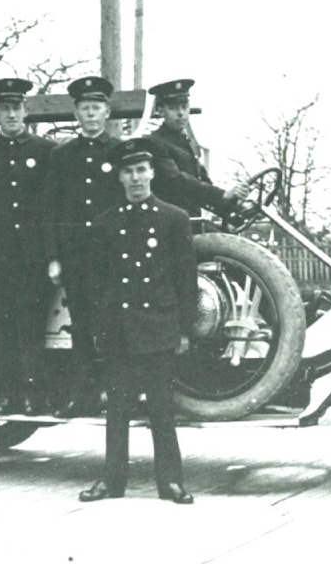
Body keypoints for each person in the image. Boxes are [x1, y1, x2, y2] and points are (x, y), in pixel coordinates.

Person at [78, 138, 196, 504]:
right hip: (120, 331)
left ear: (152, 173)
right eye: (128, 171)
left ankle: (171, 483)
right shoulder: (104, 224)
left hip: (159, 327)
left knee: (162, 411)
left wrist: (185, 329)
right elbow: (95, 283)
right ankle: (112, 482)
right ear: (119, 177)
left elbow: (185, 279)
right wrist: (101, 327)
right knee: (118, 412)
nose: (135, 178)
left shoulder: (174, 219)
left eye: (141, 170)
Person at [0, 77, 55, 415]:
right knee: (2, 328)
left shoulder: (45, 151)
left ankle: (31, 396)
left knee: (32, 328)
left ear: (26, 110)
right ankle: (1, 395)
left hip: (34, 257)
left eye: (16, 108)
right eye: (4, 109)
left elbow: (51, 205)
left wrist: (51, 255)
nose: (11, 114)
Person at [44, 76, 124, 417]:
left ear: (107, 111)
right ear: (76, 112)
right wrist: (54, 257)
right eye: (84, 108)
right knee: (82, 328)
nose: (91, 114)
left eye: (97, 107)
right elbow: (51, 207)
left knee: (115, 327)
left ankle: (118, 395)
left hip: (112, 257)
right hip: (76, 257)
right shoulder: (62, 155)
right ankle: (86, 396)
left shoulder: (119, 151)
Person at [145, 78, 250, 218]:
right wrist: (222, 195)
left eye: (184, 107)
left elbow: (202, 182)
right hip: (167, 222)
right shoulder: (154, 143)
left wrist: (232, 204)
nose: (181, 113)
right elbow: (177, 181)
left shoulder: (187, 143)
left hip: (189, 220)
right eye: (173, 108)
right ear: (160, 111)